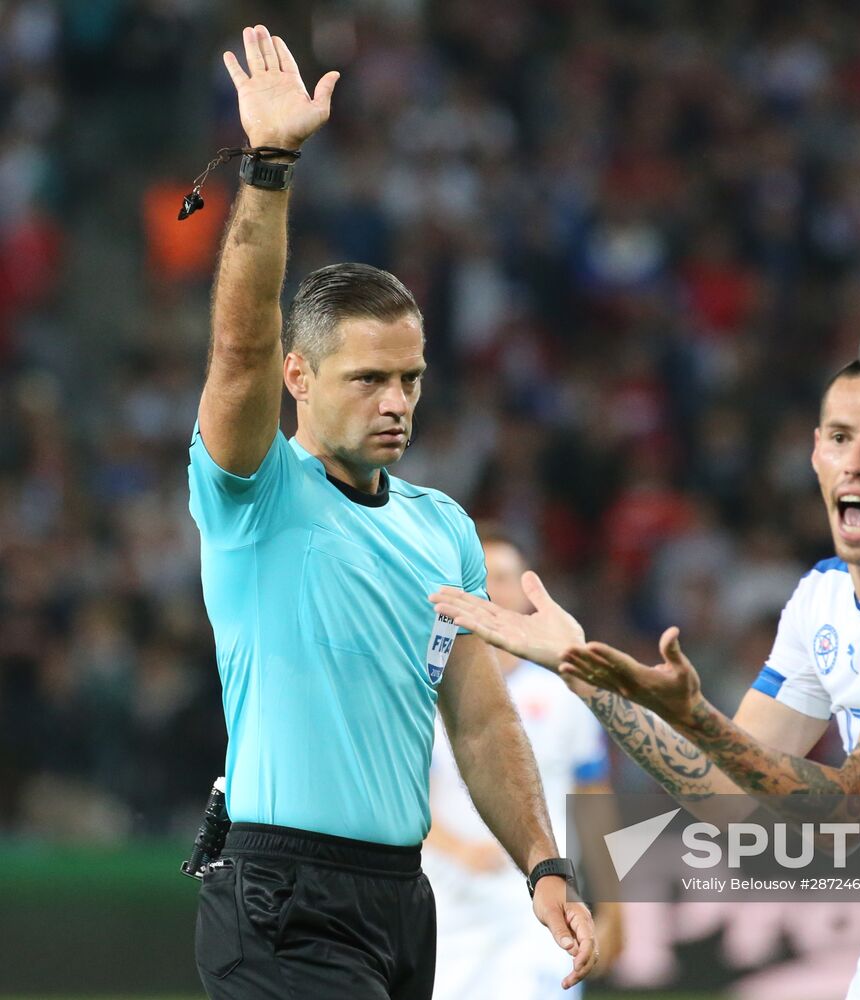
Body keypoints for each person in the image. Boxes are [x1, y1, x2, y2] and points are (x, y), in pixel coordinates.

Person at [434, 322, 860, 999]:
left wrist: (698, 718)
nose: (857, 462)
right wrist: (586, 677)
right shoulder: (821, 597)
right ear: (815, 453)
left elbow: (847, 817)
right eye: (840, 437)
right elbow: (724, 800)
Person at [187, 25, 594, 1000]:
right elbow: (237, 351)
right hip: (279, 893)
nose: (398, 401)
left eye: (409, 377)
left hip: (399, 900)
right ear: (300, 376)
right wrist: (272, 165)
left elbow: (483, 719)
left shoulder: (442, 527)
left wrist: (542, 861)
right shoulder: (254, 494)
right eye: (369, 378)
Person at [425, 530, 625, 1000]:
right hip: (452, 918)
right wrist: (457, 849)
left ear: (525, 592)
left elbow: (594, 805)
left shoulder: (565, 694)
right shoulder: (426, 689)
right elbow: (397, 796)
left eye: (504, 577)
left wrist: (616, 906)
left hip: (542, 921)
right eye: (481, 578)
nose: (493, 590)